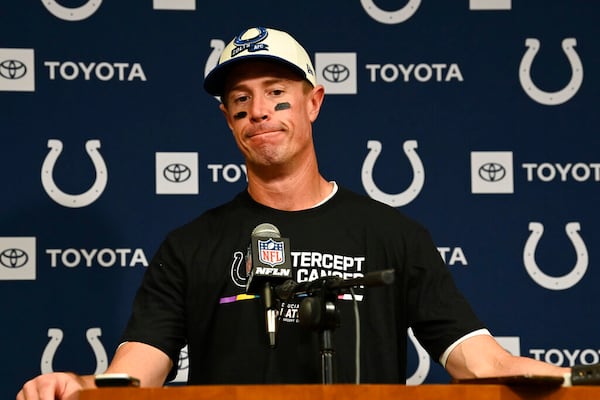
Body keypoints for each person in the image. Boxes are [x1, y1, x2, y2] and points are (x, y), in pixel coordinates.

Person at [17, 26, 569, 400]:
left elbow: (478, 362)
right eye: (240, 100)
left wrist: (574, 379)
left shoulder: (393, 235)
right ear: (229, 121)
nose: (259, 112)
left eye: (276, 92)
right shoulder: (188, 247)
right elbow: (138, 372)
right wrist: (81, 386)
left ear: (314, 102)